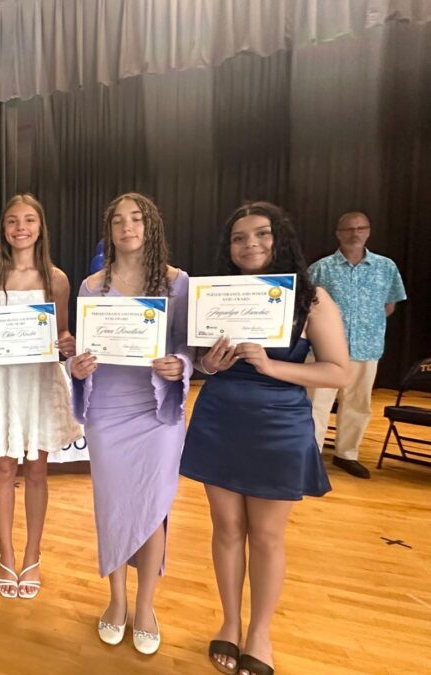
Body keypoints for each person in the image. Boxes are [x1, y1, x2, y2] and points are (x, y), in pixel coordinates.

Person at [180, 202, 350, 675]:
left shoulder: (310, 299)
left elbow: (338, 370)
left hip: (279, 423)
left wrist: (273, 366)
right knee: (227, 529)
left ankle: (260, 633)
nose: (250, 244)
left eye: (261, 234)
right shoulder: (213, 295)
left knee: (268, 536)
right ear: (228, 247)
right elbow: (197, 362)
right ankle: (230, 624)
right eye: (239, 237)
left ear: (281, 239)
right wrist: (208, 364)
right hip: (219, 416)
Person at [68, 193, 193, 654]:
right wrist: (76, 367)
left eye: (136, 218)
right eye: (118, 220)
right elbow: (82, 351)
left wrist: (179, 364)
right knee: (113, 505)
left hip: (156, 411)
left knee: (154, 507)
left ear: (150, 225)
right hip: (108, 411)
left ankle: (146, 605)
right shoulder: (90, 286)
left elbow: (187, 346)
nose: (127, 227)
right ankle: (116, 601)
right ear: (109, 230)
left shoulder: (177, 283)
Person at [0, 194, 82, 600]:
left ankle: (32, 554)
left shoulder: (58, 279)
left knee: (36, 470)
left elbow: (62, 337)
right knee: (1, 470)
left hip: (39, 382)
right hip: (4, 383)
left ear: (40, 227)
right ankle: (6, 553)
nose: (21, 227)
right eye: (13, 220)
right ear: (3, 228)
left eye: (29, 219)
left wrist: (67, 343)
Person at [308, 211, 407, 479]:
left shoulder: (386, 267)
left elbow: (389, 305)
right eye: (349, 229)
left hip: (366, 346)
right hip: (324, 351)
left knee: (358, 404)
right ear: (338, 233)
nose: (355, 233)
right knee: (316, 404)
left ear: (369, 231)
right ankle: (311, 456)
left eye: (361, 228)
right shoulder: (320, 268)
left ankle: (346, 454)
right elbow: (306, 309)